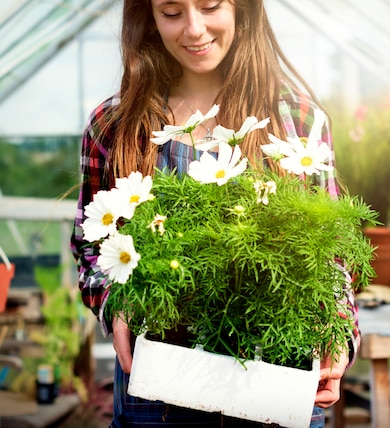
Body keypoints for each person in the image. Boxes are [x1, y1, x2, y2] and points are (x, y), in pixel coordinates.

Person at [70, 1, 360, 427]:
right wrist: (115, 305)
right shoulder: (115, 123)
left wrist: (339, 337)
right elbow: (92, 247)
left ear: (241, 8)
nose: (194, 29)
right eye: (171, 12)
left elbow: (332, 256)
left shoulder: (295, 118)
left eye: (209, 6)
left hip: (273, 384)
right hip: (158, 390)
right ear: (147, 17)